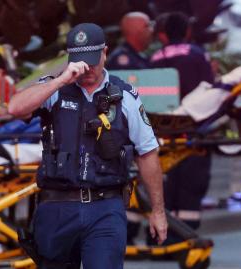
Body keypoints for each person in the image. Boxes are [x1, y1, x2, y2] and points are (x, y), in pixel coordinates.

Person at [9, 23, 167, 269]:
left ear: (105, 51)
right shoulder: (54, 90)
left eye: (93, 60)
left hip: (105, 207)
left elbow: (147, 153)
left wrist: (158, 211)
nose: (88, 69)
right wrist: (60, 80)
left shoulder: (125, 96)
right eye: (82, 61)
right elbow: (15, 108)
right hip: (57, 208)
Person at [150, 12, 213, 240]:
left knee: (163, 186)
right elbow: (210, 93)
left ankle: (159, 238)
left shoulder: (155, 58)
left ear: (163, 35)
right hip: (191, 131)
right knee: (190, 185)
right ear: (187, 32)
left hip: (162, 133)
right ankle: (185, 238)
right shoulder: (198, 55)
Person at [106, 11, 154, 246]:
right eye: (148, 26)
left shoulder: (138, 58)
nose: (151, 31)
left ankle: (130, 234)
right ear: (137, 30)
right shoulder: (122, 60)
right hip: (124, 134)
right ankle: (125, 235)